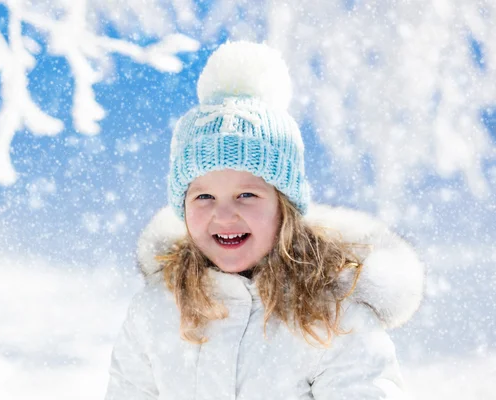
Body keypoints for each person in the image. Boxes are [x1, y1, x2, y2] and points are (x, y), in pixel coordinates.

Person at [104, 41, 424, 400]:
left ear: (283, 206)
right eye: (204, 196)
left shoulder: (332, 315)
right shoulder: (156, 311)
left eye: (247, 195)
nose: (224, 215)